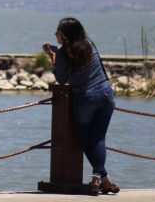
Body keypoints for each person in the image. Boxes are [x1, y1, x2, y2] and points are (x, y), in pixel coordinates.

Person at [43, 17, 120, 196]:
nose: (55, 34)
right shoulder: (89, 44)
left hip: (86, 98)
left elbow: (62, 79)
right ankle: (104, 181)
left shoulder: (62, 55)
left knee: (84, 140)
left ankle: (96, 179)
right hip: (106, 94)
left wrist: (53, 59)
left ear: (65, 36)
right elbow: (78, 55)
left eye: (58, 32)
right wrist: (58, 52)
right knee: (99, 139)